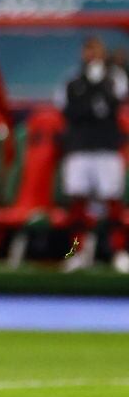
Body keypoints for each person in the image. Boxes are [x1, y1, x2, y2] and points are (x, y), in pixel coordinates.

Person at [57, 36, 129, 273]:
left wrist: (96, 93)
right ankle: (77, 252)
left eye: (96, 50)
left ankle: (119, 253)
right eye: (88, 50)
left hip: (107, 150)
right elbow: (69, 111)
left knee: (113, 203)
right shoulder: (72, 81)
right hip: (79, 150)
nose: (92, 55)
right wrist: (91, 103)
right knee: (77, 204)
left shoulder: (114, 78)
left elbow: (113, 104)